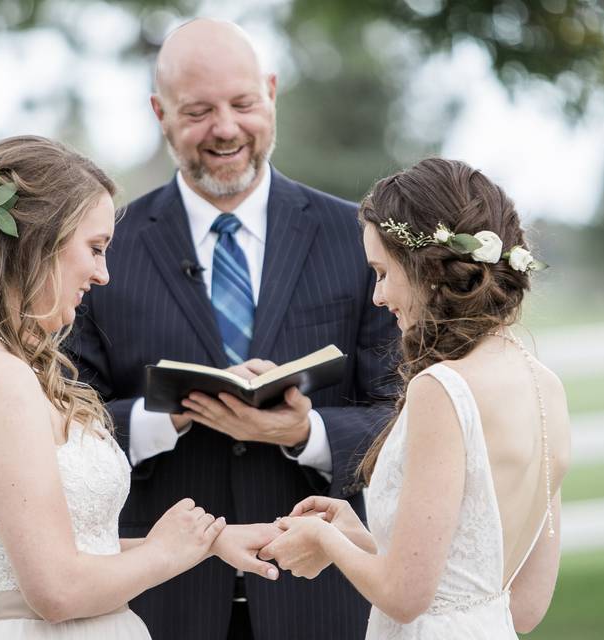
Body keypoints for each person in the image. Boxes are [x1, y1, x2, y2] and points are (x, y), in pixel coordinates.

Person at [66, 18, 399, 640]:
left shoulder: (356, 238)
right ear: (159, 112)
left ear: (271, 92)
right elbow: (59, 421)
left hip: (326, 602)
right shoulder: (102, 248)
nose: (225, 128)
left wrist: (306, 429)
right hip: (161, 605)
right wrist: (164, 416)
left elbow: (403, 412)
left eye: (243, 103)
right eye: (198, 111)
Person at [0, 135, 279, 639]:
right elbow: (58, 591)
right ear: (39, 242)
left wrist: (209, 541)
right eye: (95, 248)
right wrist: (162, 553)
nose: (103, 274)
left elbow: (75, 555)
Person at [259, 158, 572, 638]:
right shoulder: (545, 385)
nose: (378, 296)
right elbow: (522, 606)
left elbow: (405, 597)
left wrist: (322, 537)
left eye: (382, 273)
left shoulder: (442, 390)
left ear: (426, 269)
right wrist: (356, 537)